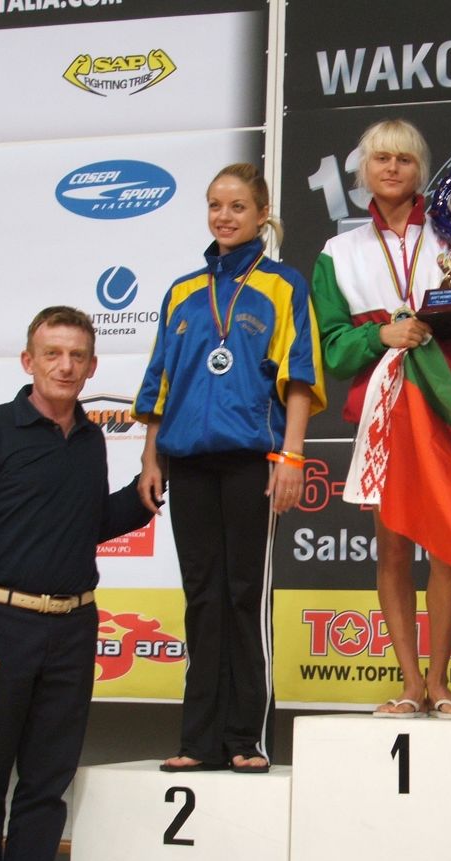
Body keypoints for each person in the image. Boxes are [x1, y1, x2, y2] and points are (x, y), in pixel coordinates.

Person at [0, 306, 154, 861]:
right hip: (0, 625)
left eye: (77, 355)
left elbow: (87, 524)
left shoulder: (89, 439)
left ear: (92, 366)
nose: (65, 366)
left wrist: (147, 490)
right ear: (28, 361)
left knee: (45, 780)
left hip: (74, 626)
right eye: (52, 354)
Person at [313, 118, 451, 718]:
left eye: (404, 159)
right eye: (381, 158)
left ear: (421, 169)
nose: (392, 168)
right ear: (364, 171)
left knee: (447, 546)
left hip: (447, 401)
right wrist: (380, 335)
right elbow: (331, 348)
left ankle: (441, 681)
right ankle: (409, 683)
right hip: (386, 407)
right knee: (394, 547)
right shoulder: (339, 253)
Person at [135, 163, 325, 773]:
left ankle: (245, 737)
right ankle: (198, 739)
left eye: (238, 206)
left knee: (244, 595)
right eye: (216, 205)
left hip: (252, 459)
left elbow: (300, 376)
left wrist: (291, 455)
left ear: (262, 214)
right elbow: (160, 382)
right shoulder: (182, 292)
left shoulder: (283, 285)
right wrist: (151, 457)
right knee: (201, 597)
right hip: (188, 461)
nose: (224, 216)